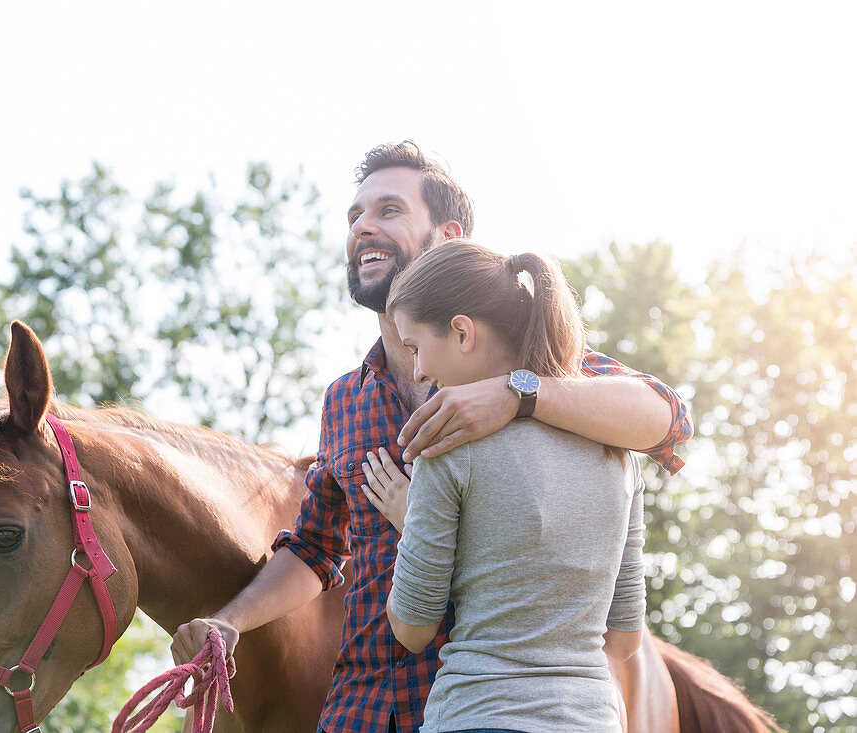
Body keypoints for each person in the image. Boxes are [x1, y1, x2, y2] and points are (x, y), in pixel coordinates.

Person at [171, 141, 692, 732]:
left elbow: (670, 421)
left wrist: (518, 394)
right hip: (363, 705)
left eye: (388, 211)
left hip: (491, 705)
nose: (362, 227)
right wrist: (229, 621)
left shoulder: (545, 366)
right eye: (354, 216)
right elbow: (317, 551)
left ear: (449, 237)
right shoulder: (346, 399)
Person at [384, 240, 644, 733]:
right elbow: (626, 637)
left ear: (462, 332)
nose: (418, 370)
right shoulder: (620, 453)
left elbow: (412, 630)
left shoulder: (448, 450)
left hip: (478, 715)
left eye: (417, 346)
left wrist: (412, 525)